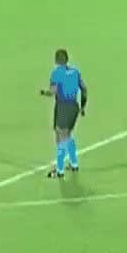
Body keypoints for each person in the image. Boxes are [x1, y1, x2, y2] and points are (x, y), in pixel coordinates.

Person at [40, 49, 87, 178]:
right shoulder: (75, 71)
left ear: (56, 60)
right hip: (74, 106)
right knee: (66, 134)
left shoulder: (56, 73)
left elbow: (53, 91)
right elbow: (84, 89)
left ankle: (59, 170)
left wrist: (45, 92)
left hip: (63, 107)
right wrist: (83, 106)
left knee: (61, 135)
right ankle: (74, 163)